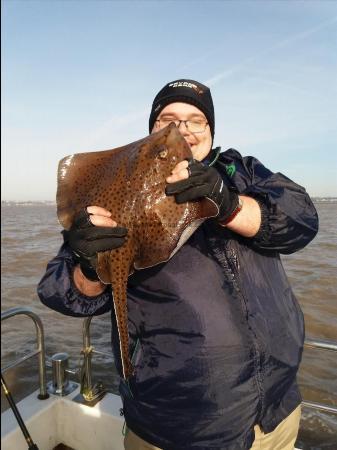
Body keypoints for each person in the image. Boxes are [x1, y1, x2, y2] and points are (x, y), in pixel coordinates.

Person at [38, 79, 319, 450]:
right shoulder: (110, 182)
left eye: (195, 119)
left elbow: (301, 220)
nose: (181, 128)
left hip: (277, 410)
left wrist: (228, 202)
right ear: (152, 130)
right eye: (167, 119)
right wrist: (89, 266)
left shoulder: (241, 172)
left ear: (211, 130)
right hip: (178, 426)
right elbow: (61, 292)